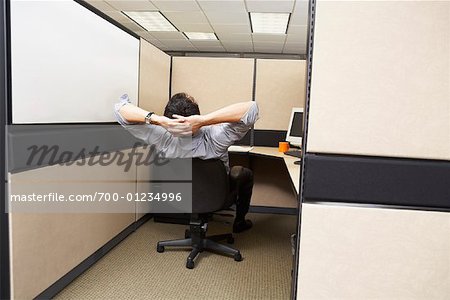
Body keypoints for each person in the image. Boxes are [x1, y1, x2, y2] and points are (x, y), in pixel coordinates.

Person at [114, 93, 259, 233]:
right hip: (218, 196)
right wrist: (204, 121)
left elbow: (120, 109)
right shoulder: (215, 137)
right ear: (196, 115)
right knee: (245, 174)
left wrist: (159, 120)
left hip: (178, 197)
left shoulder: (162, 138)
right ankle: (240, 221)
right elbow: (252, 109)